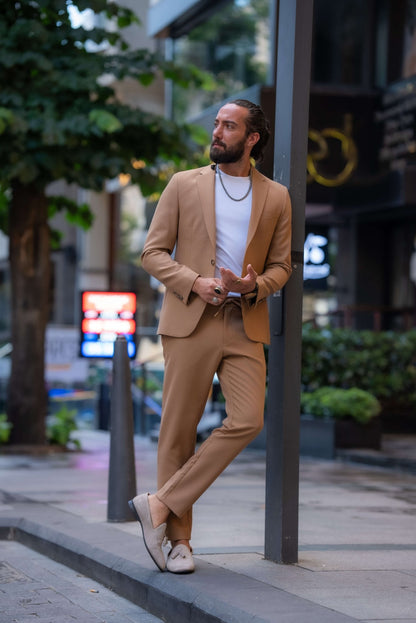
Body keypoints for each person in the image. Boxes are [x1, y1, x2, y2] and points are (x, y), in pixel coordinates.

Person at [129, 99, 292, 573]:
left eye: (228, 126)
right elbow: (153, 253)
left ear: (252, 138)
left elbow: (282, 266)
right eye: (217, 124)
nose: (217, 132)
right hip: (191, 320)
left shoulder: (276, 197)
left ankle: (159, 505)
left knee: (247, 419)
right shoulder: (184, 184)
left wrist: (254, 285)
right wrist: (195, 282)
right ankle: (179, 543)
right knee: (177, 433)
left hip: (245, 322)